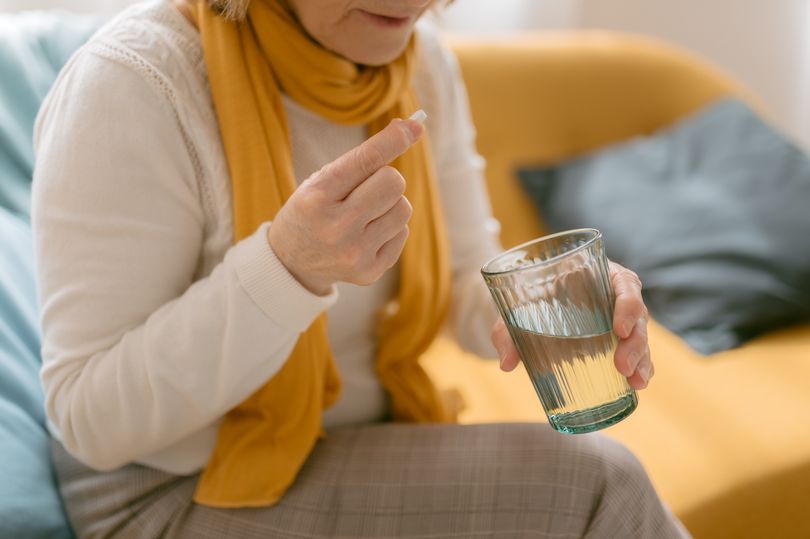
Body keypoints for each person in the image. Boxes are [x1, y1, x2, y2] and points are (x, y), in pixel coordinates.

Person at [32, 0, 689, 536]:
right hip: (167, 487)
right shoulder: (134, 81)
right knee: (601, 483)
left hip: (343, 442)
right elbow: (92, 421)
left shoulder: (419, 62)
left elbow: (466, 278)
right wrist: (287, 268)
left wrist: (553, 308)